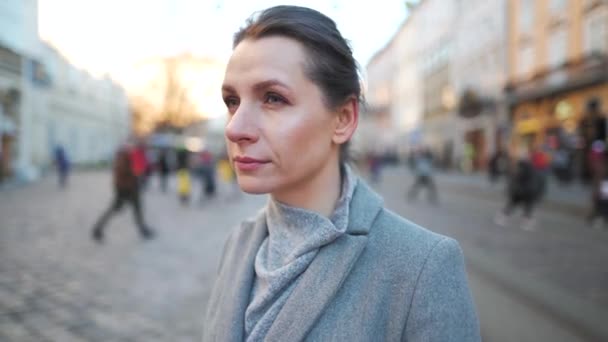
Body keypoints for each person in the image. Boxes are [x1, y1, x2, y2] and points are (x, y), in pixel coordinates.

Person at [203, 6, 480, 341]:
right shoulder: (239, 243)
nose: (235, 128)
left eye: (273, 98)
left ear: (343, 119)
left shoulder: (421, 266)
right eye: (232, 101)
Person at [92, 145, 154, 242]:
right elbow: (129, 170)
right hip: (127, 187)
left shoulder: (125, 154)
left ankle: (143, 229)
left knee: (136, 209)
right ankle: (97, 228)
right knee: (118, 209)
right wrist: (136, 172)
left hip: (128, 186)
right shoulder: (127, 154)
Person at [494, 146, 540, 230]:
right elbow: (519, 178)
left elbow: (519, 178)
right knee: (520, 206)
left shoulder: (524, 166)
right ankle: (525, 222)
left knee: (521, 206)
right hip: (524, 191)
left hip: (525, 191)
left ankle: (525, 221)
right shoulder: (525, 166)